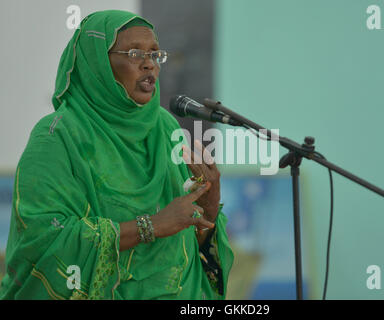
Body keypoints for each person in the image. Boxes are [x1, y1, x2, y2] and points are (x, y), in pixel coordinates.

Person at [0, 10, 234, 300]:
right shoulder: (57, 136)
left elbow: (189, 233)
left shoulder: (165, 128)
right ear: (97, 62)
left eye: (155, 54)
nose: (150, 65)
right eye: (135, 53)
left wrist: (209, 207)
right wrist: (151, 225)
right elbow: (45, 238)